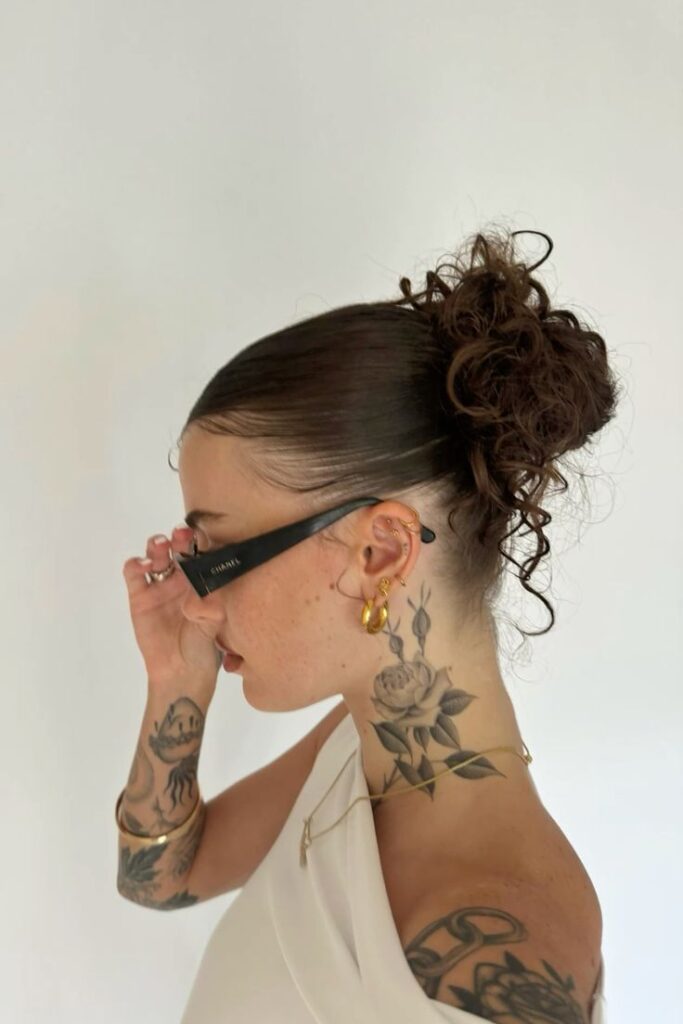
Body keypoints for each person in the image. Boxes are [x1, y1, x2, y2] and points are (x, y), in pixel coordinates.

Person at [118, 228, 618, 1021]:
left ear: (379, 550)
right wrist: (176, 683)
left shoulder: (495, 958)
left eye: (216, 554)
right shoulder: (361, 750)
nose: (198, 598)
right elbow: (163, 878)